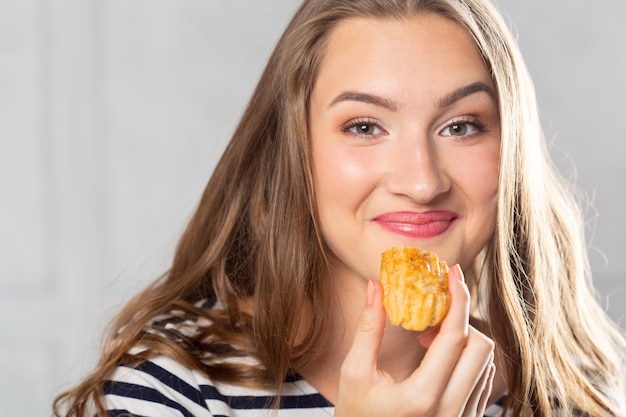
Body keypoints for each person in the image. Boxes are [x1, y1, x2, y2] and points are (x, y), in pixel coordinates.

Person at [53, 0, 626, 416]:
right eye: (364, 126)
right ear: (295, 153)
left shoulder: (576, 395)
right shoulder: (172, 388)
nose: (422, 182)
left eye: (460, 126)